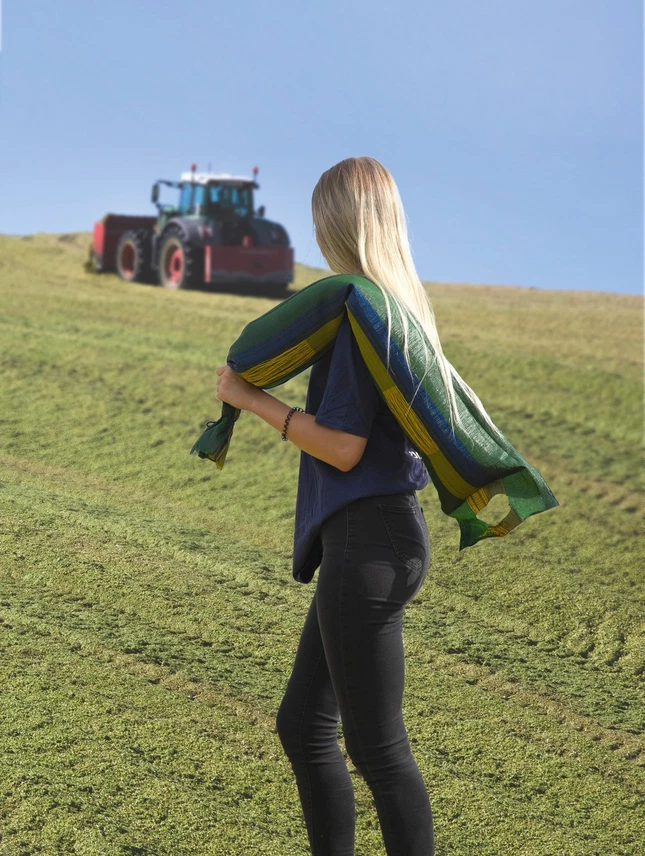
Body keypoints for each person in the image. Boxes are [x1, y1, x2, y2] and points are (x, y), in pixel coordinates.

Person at [215, 156, 438, 855]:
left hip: (368, 544)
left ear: (337, 224)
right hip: (382, 540)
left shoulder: (358, 316)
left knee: (376, 750)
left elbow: (342, 448)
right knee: (304, 725)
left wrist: (251, 400)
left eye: (320, 219)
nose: (315, 232)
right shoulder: (402, 312)